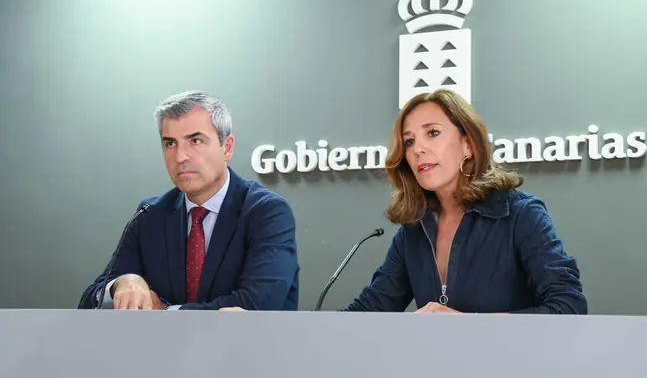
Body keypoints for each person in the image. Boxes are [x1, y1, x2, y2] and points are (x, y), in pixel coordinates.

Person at [344, 89, 587, 314]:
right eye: (409, 141)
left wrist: (467, 325)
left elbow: (568, 307)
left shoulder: (521, 215)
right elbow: (370, 310)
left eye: (433, 133)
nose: (418, 149)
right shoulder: (413, 231)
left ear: (468, 144)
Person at [78, 91, 299, 311]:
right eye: (170, 143)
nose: (180, 157)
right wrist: (121, 284)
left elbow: (256, 304)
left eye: (195, 141)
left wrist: (166, 312)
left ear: (227, 147)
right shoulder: (149, 215)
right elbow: (89, 302)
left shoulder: (267, 212)